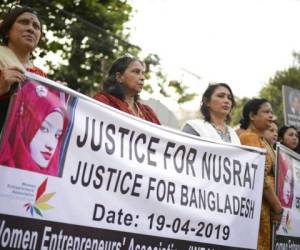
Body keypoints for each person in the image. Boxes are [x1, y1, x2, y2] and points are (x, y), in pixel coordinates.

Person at [239, 98, 283, 250]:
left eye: (271, 112)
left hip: (266, 205)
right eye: (266, 112)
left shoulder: (263, 140)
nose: (271, 116)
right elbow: (259, 177)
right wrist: (277, 206)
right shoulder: (249, 137)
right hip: (259, 205)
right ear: (252, 116)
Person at [0, 81, 68, 176]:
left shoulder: (54, 180)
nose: (51, 145)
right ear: (26, 125)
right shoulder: (4, 165)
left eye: (57, 135)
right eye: (44, 129)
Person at [0, 6, 46, 132]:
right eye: (24, 22)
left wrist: (55, 98)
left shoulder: (41, 76)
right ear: (7, 31)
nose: (31, 29)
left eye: (36, 27)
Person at [93, 56, 161, 125]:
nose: (142, 78)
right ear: (119, 77)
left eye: (142, 73)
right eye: (136, 72)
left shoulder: (148, 113)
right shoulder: (103, 102)